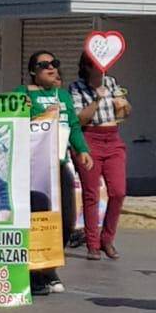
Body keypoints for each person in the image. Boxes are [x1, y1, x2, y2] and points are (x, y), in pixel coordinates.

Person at [20, 51, 94, 295]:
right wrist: (21, 109)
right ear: (33, 71)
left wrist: (82, 150)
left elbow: (73, 125)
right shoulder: (23, 94)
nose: (52, 68)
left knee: (66, 221)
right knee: (39, 221)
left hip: (60, 164)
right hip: (34, 168)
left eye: (55, 63)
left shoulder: (62, 96)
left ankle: (49, 266)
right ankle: (37, 273)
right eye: (44, 65)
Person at [69, 55, 131, 261]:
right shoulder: (76, 87)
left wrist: (123, 104)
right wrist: (97, 98)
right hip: (90, 137)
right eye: (96, 65)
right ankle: (92, 243)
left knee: (118, 191)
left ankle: (107, 238)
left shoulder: (111, 82)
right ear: (86, 67)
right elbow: (79, 119)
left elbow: (125, 113)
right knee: (91, 193)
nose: (101, 69)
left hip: (112, 138)